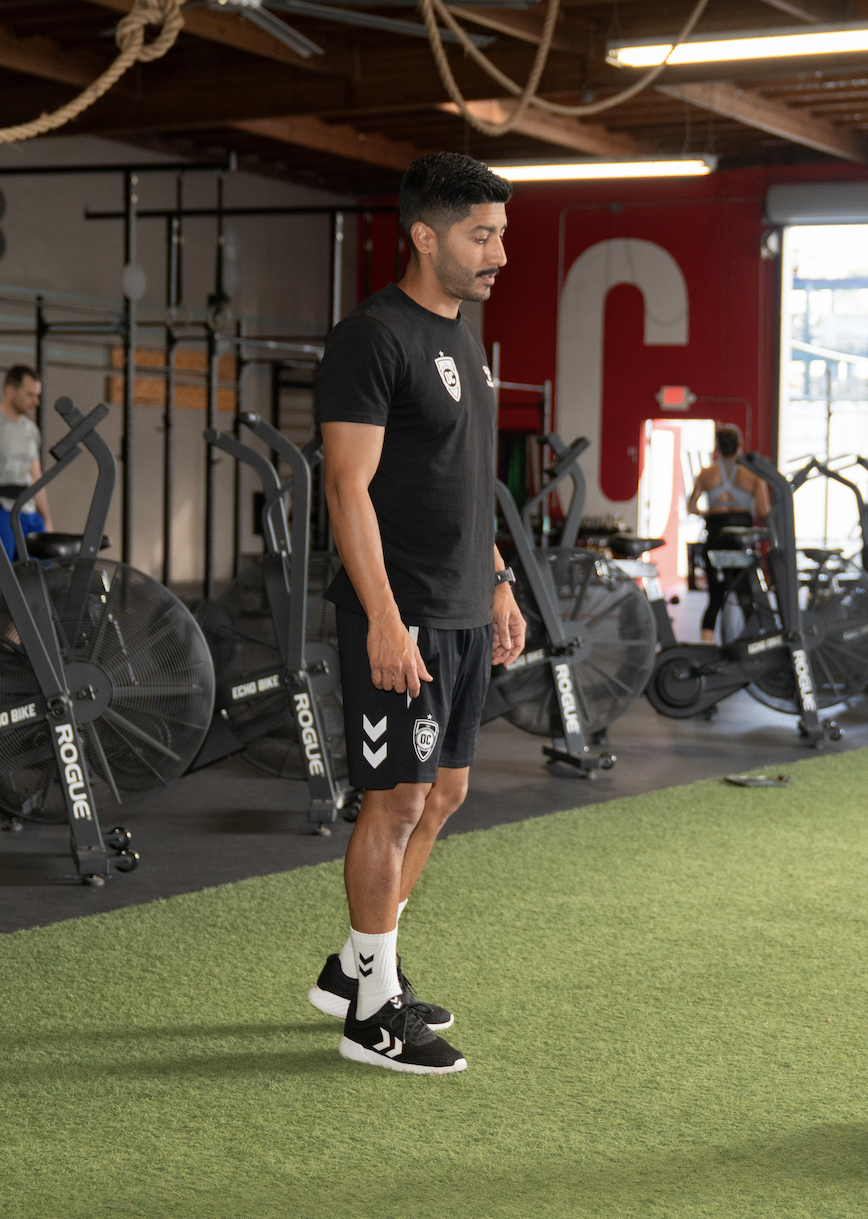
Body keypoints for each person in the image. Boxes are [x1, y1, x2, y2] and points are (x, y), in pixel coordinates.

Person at [307, 153, 525, 1075]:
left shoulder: (464, 340)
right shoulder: (373, 338)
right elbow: (347, 488)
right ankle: (372, 1014)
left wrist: (501, 579)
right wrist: (384, 620)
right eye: (482, 235)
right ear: (424, 235)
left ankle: (359, 968)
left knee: (444, 794)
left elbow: (463, 484)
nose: (500, 255)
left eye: (502, 234)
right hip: (404, 616)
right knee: (393, 802)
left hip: (466, 608)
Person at [685, 426, 770, 642]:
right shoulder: (753, 476)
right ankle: (752, 645)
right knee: (745, 597)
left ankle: (706, 649)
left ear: (718, 447)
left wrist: (708, 513)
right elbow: (763, 511)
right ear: (740, 445)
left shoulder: (706, 474)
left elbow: (691, 506)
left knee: (714, 599)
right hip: (740, 540)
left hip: (716, 537)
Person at [0, 365, 53, 569]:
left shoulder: (31, 430)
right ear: (10, 390)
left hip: (28, 512)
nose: (35, 402)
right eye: (30, 395)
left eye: (37, 395)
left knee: (37, 573)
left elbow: (36, 477)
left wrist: (46, 519)